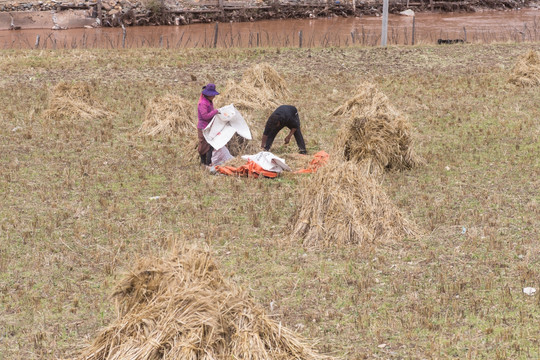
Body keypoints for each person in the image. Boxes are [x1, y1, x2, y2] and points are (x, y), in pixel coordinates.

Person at [197, 83, 220, 166]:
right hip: (203, 127)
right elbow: (205, 116)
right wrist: (215, 112)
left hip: (208, 126)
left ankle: (207, 163)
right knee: (204, 145)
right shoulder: (202, 103)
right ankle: (204, 163)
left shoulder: (209, 102)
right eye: (212, 95)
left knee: (210, 146)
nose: (214, 96)